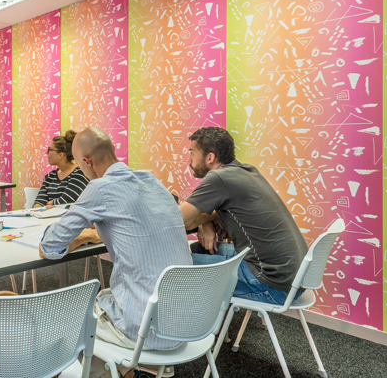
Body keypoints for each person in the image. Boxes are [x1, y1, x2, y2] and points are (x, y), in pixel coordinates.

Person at [39, 127, 190, 378]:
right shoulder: (152, 181)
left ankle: (114, 372)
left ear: (86, 162)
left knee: (61, 317)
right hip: (187, 320)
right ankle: (128, 372)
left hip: (144, 328)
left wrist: (83, 237)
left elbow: (49, 247)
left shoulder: (101, 188)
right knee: (101, 298)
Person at [180, 127, 309, 306]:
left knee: (175, 267)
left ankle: (192, 322)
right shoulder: (247, 170)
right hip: (294, 279)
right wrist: (208, 222)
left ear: (210, 158)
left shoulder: (218, 178)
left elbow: (179, 221)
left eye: (192, 153)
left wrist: (206, 220)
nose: (189, 160)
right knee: (200, 249)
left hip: (271, 284)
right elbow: (209, 214)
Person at [33, 129, 90, 208]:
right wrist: (44, 206)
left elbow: (67, 201)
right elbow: (38, 202)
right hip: (47, 215)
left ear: (60, 155)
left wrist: (49, 204)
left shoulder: (80, 173)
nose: (47, 153)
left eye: (50, 150)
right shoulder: (49, 176)